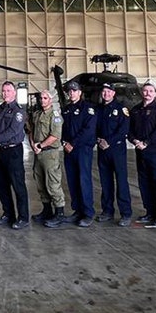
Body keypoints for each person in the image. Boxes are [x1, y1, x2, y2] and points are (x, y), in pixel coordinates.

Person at [129, 81, 156, 228]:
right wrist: (135, 141)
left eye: (151, 91)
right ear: (142, 92)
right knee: (145, 185)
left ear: (155, 93)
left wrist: (145, 143)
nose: (147, 93)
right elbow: (130, 130)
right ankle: (151, 212)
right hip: (141, 152)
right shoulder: (135, 110)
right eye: (145, 91)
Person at [0, 81, 30, 229]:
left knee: (18, 185)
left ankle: (23, 217)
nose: (6, 93)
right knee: (2, 185)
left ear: (14, 93)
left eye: (8, 91)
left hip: (13, 151)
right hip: (0, 151)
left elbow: (13, 130)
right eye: (4, 91)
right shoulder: (0, 109)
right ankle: (8, 214)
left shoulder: (18, 111)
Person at [60, 80, 97, 228]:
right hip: (69, 150)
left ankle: (88, 213)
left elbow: (88, 130)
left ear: (80, 93)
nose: (71, 93)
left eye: (74, 91)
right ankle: (77, 211)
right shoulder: (67, 109)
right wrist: (64, 142)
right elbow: (63, 129)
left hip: (82, 150)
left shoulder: (88, 109)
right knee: (73, 181)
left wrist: (72, 143)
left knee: (84, 180)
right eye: (69, 91)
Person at [95, 84, 133, 227]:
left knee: (121, 182)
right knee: (105, 182)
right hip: (102, 150)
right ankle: (107, 211)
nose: (106, 94)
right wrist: (98, 140)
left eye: (108, 91)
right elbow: (94, 127)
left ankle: (126, 213)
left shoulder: (121, 109)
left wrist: (108, 141)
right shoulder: (98, 109)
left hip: (116, 150)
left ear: (113, 93)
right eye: (103, 91)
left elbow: (124, 129)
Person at [27, 89, 66, 227]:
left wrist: (41, 145)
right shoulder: (37, 114)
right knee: (40, 182)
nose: (42, 100)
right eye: (41, 98)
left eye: (45, 98)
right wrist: (33, 144)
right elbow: (31, 130)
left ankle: (59, 213)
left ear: (50, 100)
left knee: (53, 183)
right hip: (39, 153)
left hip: (50, 154)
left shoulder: (54, 116)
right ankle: (47, 210)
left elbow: (55, 136)